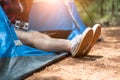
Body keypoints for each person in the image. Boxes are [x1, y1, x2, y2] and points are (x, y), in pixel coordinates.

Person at [0, 0, 101, 57]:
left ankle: (78, 44)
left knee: (40, 35)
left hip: (18, 28)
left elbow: (25, 18)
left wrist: (23, 27)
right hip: (4, 29)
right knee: (32, 37)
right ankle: (71, 45)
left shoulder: (25, 2)